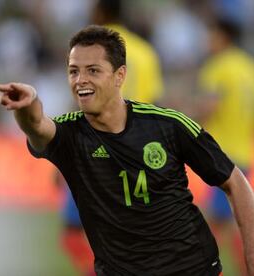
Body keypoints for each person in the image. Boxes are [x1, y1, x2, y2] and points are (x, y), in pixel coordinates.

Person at [0, 25, 254, 276]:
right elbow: (38, 127)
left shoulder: (168, 125)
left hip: (192, 268)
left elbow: (234, 181)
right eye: (73, 71)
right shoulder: (70, 133)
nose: (81, 80)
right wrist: (27, 106)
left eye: (93, 70)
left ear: (120, 76)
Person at [56, 1, 165, 274]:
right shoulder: (145, 52)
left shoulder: (89, 53)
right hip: (136, 151)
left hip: (95, 147)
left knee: (72, 233)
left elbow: (81, 101)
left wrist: (63, 155)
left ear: (100, 15)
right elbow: (154, 105)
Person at [195, 17, 254, 275]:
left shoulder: (218, 67)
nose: (207, 40)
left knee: (213, 224)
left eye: (211, 34)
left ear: (223, 36)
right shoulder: (253, 69)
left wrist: (182, 122)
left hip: (221, 154)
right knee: (228, 221)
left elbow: (209, 106)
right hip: (245, 152)